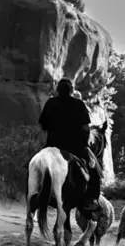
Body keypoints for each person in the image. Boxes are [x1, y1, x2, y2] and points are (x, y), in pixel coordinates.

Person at [38, 78, 102, 207]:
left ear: (57, 90)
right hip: (76, 147)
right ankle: (91, 200)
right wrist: (84, 143)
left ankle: (34, 196)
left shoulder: (50, 103)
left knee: (33, 165)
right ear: (72, 90)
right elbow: (85, 127)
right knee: (95, 172)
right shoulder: (78, 104)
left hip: (53, 146)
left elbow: (42, 126)